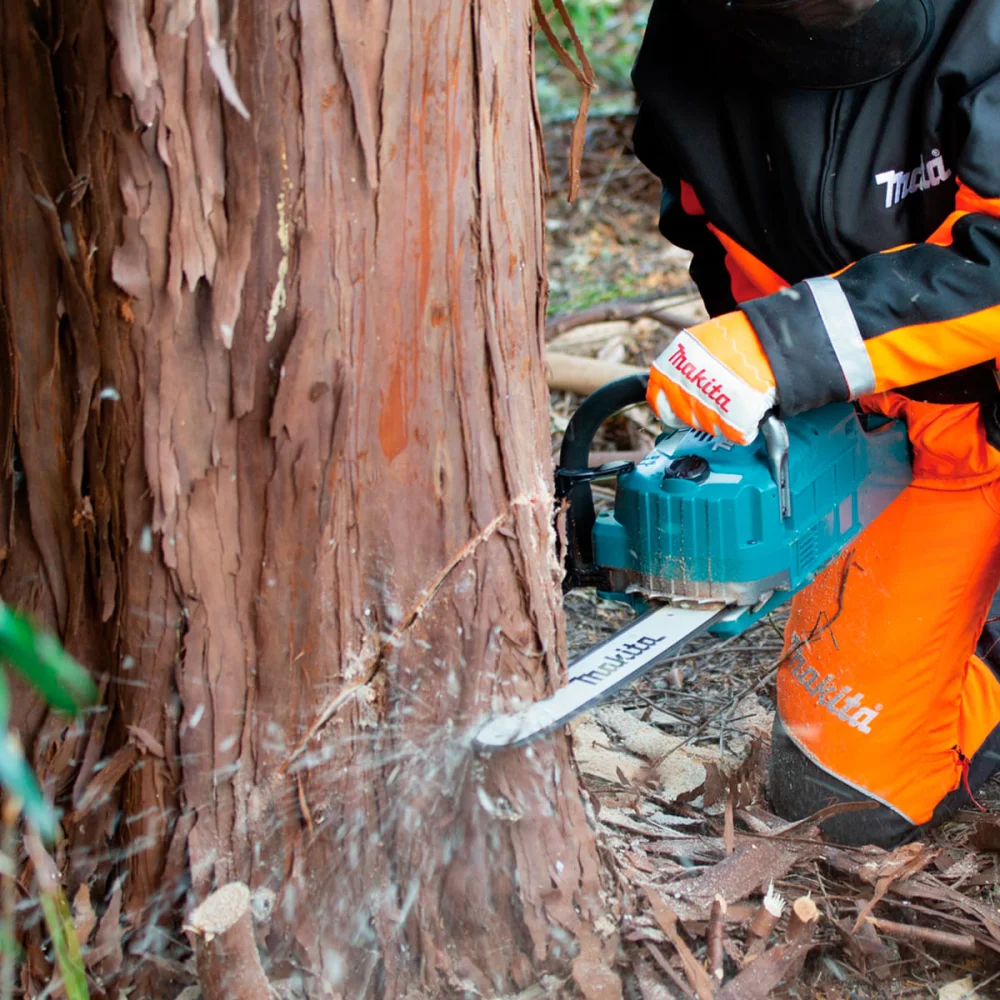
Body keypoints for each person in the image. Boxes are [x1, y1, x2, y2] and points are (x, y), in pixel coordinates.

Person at [631, 0, 1000, 845]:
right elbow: (713, 240)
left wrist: (783, 344)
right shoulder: (695, 53)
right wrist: (772, 389)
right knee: (842, 793)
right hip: (922, 444)